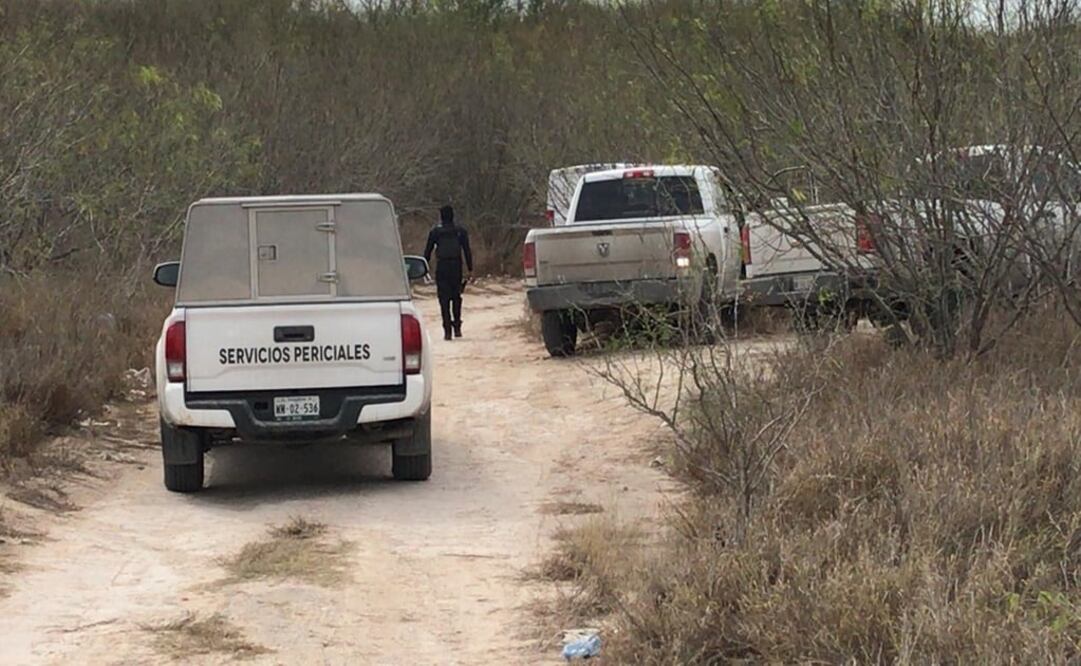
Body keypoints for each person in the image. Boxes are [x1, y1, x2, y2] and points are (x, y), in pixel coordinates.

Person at [423, 205, 473, 340]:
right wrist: (470, 269)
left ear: (441, 216)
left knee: (443, 299)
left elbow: (427, 252)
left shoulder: (435, 232)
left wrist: (423, 268)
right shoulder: (460, 231)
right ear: (453, 216)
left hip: (442, 267)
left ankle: (447, 330)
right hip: (456, 266)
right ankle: (457, 327)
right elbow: (467, 251)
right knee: (456, 297)